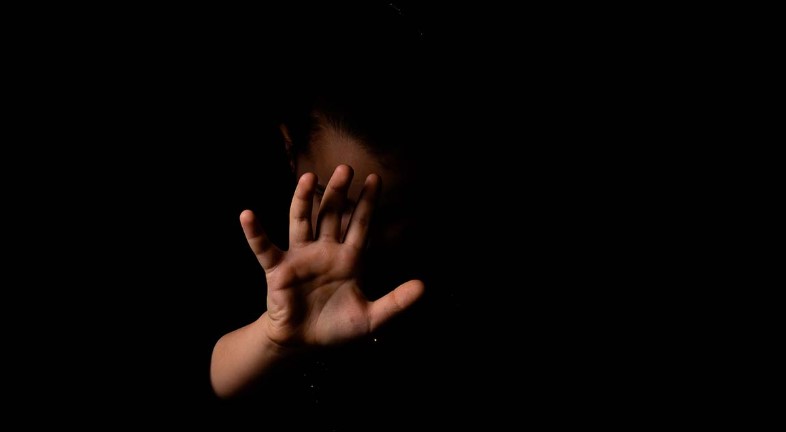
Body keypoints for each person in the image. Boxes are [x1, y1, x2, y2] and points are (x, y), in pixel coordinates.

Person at [206, 2, 469, 427]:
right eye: (337, 201)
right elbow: (209, 381)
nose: (359, 236)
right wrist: (273, 337)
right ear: (290, 149)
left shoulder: (443, 263)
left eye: (388, 212)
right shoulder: (253, 229)